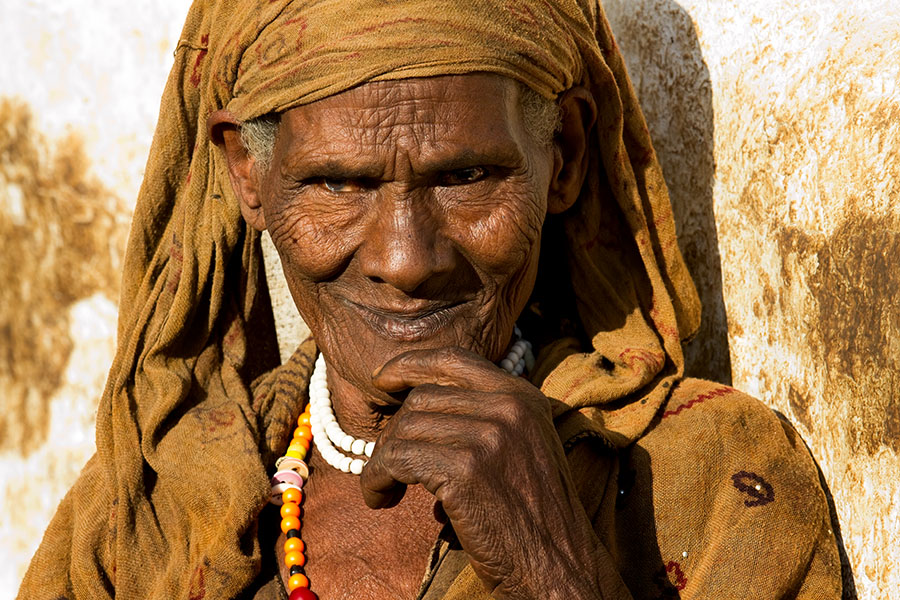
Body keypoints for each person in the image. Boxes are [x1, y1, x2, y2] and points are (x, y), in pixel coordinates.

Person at [18, 0, 842, 598]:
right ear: (247, 175)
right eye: (338, 183)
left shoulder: (712, 475)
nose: (407, 260)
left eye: (467, 177)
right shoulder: (143, 518)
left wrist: (554, 571)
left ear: (566, 156)